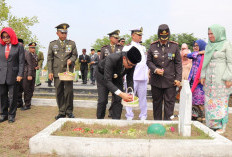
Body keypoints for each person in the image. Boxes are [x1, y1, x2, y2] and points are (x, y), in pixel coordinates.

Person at [201, 24, 232, 134]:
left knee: (221, 102)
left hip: (222, 80)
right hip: (210, 80)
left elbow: (230, 62)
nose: (210, 36)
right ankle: (212, 125)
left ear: (218, 33)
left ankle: (221, 126)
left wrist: (229, 77)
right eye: (208, 33)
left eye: (212, 33)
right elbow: (205, 61)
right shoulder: (209, 45)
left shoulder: (226, 44)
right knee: (210, 102)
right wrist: (203, 75)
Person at [147, 24, 182, 120]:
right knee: (156, 103)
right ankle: (157, 122)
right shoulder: (152, 46)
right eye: (162, 37)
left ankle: (167, 122)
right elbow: (148, 61)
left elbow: (178, 63)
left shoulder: (174, 47)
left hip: (170, 80)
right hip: (156, 81)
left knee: (169, 103)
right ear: (158, 35)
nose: (163, 40)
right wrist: (155, 69)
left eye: (165, 37)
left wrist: (178, 78)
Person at [96, 46, 141, 119]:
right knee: (103, 100)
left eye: (133, 66)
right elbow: (107, 81)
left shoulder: (131, 63)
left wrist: (130, 93)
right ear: (124, 58)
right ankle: (99, 120)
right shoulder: (112, 58)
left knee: (118, 99)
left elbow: (129, 79)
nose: (130, 67)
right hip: (103, 76)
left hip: (117, 76)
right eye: (129, 65)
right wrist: (121, 93)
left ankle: (116, 121)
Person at [47, 23, 78, 120]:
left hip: (67, 72)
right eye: (62, 33)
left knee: (69, 92)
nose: (64, 35)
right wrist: (50, 71)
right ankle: (61, 111)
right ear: (57, 33)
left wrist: (71, 60)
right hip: (57, 72)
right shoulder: (52, 44)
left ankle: (69, 111)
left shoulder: (71, 43)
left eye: (66, 33)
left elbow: (74, 55)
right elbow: (50, 58)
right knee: (59, 92)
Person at [0, 27, 25, 123]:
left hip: (14, 75)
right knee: (2, 96)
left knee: (13, 96)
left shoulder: (19, 46)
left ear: (12, 36)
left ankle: (11, 115)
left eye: (7, 37)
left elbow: (21, 62)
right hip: (1, 75)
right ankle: (3, 114)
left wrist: (20, 74)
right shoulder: (0, 46)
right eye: (3, 37)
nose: (5, 39)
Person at [123, 27, 148, 120]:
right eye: (139, 35)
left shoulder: (143, 47)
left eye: (141, 35)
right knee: (130, 97)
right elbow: (124, 62)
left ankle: (143, 115)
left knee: (143, 98)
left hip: (143, 77)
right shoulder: (127, 47)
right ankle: (129, 115)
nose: (140, 37)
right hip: (132, 77)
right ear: (133, 36)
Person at [100, 30, 124, 117]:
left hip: (117, 76)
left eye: (118, 38)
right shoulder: (104, 49)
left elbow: (122, 63)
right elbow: (101, 63)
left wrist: (121, 74)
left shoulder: (121, 48)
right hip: (106, 76)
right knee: (103, 99)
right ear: (110, 38)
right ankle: (103, 115)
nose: (117, 39)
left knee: (117, 97)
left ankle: (114, 114)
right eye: (115, 37)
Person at [186, 40, 206, 121]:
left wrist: (203, 53)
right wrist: (199, 52)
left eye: (197, 46)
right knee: (193, 99)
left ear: (201, 46)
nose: (194, 47)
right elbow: (188, 55)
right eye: (194, 46)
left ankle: (203, 117)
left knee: (200, 100)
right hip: (192, 80)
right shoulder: (195, 54)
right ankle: (194, 115)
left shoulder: (205, 56)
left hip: (200, 81)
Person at [21, 42, 38, 110]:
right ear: (29, 48)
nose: (33, 49)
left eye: (34, 48)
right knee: (27, 89)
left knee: (31, 89)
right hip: (28, 74)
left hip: (33, 74)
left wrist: (37, 67)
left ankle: (28, 103)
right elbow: (29, 65)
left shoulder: (35, 55)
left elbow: (33, 64)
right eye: (32, 48)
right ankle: (27, 104)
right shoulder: (27, 53)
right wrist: (29, 74)